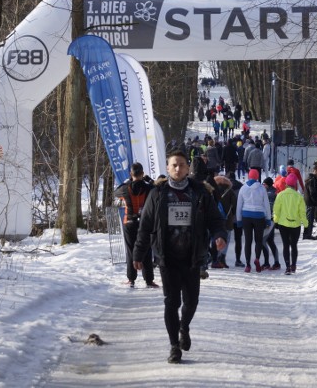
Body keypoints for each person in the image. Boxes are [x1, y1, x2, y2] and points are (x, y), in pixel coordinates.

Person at [133, 150, 227, 364]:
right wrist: (139, 252)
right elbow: (146, 225)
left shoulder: (200, 192)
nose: (178, 168)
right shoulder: (157, 194)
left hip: (192, 257)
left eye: (182, 165)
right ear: (167, 168)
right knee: (171, 302)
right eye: (174, 165)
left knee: (191, 302)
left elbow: (215, 220)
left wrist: (220, 235)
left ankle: (184, 327)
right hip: (168, 258)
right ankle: (174, 346)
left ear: (188, 168)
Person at [114, 162, 157, 288]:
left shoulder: (125, 188)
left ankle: (131, 279)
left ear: (131, 174)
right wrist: (149, 180)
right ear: (142, 174)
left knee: (130, 251)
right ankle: (149, 280)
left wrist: (128, 181)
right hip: (145, 223)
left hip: (129, 222)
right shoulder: (149, 188)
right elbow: (158, 189)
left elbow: (116, 192)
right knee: (146, 250)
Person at [235, 169, 272, 273]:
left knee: (248, 240)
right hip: (259, 216)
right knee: (258, 240)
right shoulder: (262, 188)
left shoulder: (243, 188)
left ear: (248, 176)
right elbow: (266, 205)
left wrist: (239, 219)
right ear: (257, 177)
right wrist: (268, 219)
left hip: (246, 216)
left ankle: (247, 264)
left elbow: (239, 205)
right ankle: (257, 258)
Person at [273, 173, 309, 275]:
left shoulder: (280, 195)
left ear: (286, 184)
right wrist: (305, 224)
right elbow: (302, 212)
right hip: (295, 225)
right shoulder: (299, 197)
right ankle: (294, 265)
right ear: (295, 184)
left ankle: (287, 266)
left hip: (283, 224)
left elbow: (276, 209)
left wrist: (276, 220)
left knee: (285, 245)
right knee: (294, 245)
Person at [261, 177, 281, 270]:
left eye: (264, 184)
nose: (262, 186)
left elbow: (269, 208)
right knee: (270, 241)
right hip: (273, 220)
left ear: (267, 184)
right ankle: (276, 262)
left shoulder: (269, 194)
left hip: (269, 220)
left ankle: (266, 262)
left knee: (263, 241)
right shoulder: (274, 192)